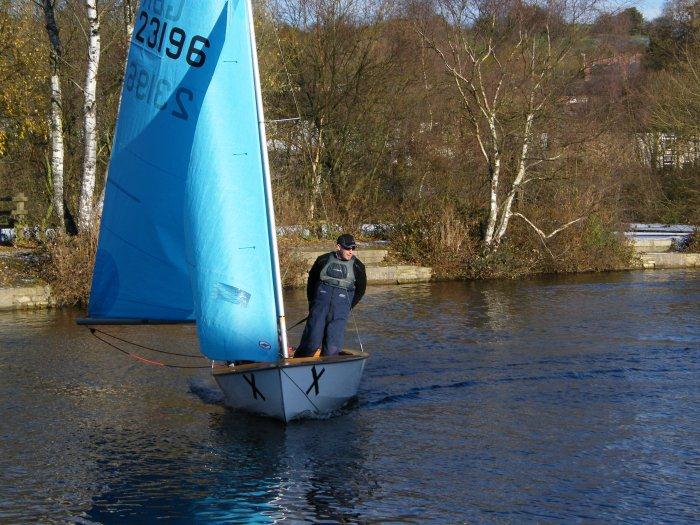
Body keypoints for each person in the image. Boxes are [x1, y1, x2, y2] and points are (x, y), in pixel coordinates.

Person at [294, 233, 367, 357]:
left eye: (353, 248)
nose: (351, 251)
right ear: (338, 247)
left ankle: (329, 369)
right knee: (312, 343)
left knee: (332, 349)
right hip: (319, 308)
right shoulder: (322, 260)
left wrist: (347, 307)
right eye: (347, 248)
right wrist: (312, 302)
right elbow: (311, 282)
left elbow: (361, 290)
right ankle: (297, 363)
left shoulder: (358, 266)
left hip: (340, 311)